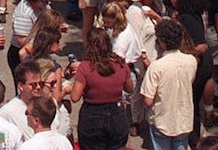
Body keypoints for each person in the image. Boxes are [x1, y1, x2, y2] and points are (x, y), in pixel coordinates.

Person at [70, 27, 132, 150]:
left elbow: (74, 97)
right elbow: (130, 88)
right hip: (117, 114)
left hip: (92, 116)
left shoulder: (85, 67)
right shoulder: (120, 63)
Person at [142, 17, 198, 150]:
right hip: (183, 120)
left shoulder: (156, 66)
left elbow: (148, 100)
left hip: (162, 121)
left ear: (161, 41)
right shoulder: (191, 61)